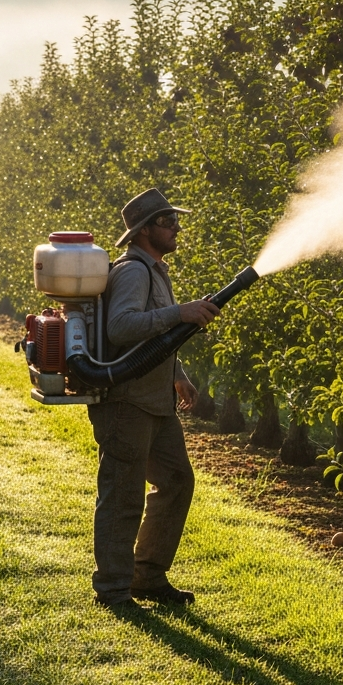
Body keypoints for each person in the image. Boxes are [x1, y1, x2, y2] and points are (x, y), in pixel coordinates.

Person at [88, 187, 219, 609]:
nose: (176, 227)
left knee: (177, 481)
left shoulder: (157, 270)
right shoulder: (133, 271)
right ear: (145, 230)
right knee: (123, 494)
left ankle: (147, 576)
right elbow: (121, 328)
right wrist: (179, 312)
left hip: (155, 400)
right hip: (127, 403)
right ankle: (112, 590)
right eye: (168, 222)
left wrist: (178, 375)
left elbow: (155, 338)